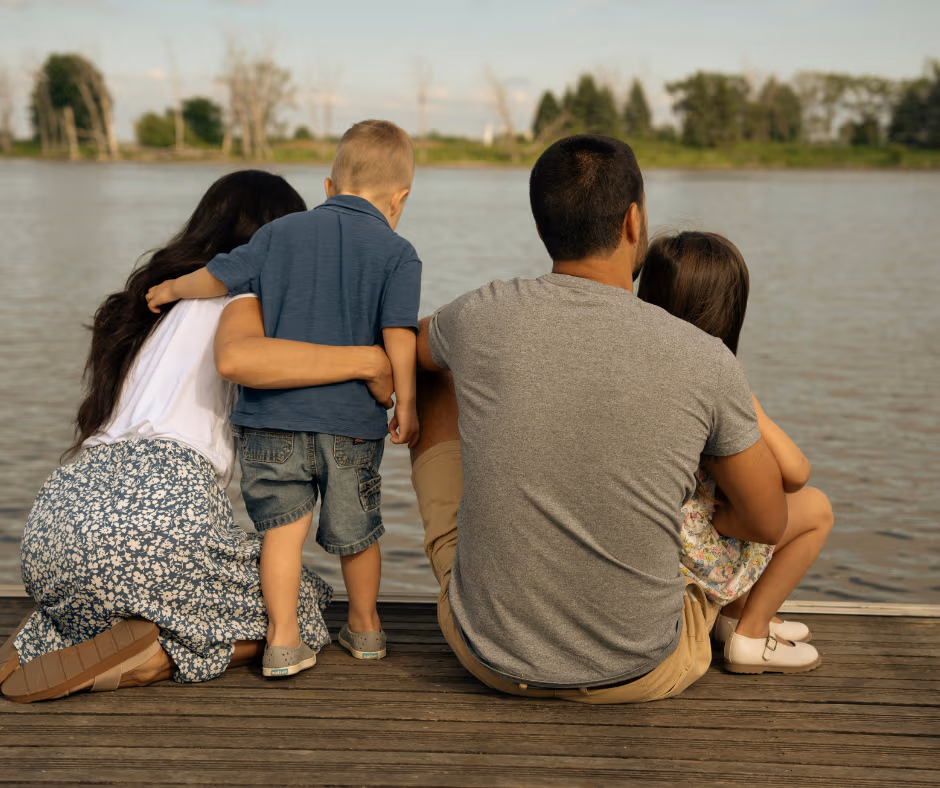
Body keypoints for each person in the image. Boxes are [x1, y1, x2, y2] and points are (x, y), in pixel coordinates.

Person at [408, 134, 801, 704]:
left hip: (486, 657)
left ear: (541, 229)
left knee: (428, 373)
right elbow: (768, 522)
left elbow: (402, 346)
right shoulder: (701, 355)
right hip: (645, 672)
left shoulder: (480, 313)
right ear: (634, 221)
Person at [0, 170, 395, 703]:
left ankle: (46, 635)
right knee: (300, 601)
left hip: (56, 517)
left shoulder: (151, 316)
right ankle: (157, 656)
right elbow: (241, 359)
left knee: (125, 582)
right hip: (157, 512)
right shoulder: (246, 299)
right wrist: (371, 358)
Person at [145, 120, 423, 676]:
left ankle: (283, 640)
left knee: (281, 532)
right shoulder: (398, 252)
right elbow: (399, 333)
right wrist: (407, 404)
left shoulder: (278, 236)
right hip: (350, 424)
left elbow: (220, 278)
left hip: (272, 421)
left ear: (327, 187)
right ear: (401, 198)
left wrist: (172, 287)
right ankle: (366, 630)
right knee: (357, 531)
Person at [637, 231, 833, 673]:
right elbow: (796, 473)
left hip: (660, 549)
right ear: (729, 312)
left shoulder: (641, 375)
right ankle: (752, 635)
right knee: (815, 509)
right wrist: (753, 406)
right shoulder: (717, 384)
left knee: (737, 510)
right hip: (696, 561)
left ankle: (730, 619)